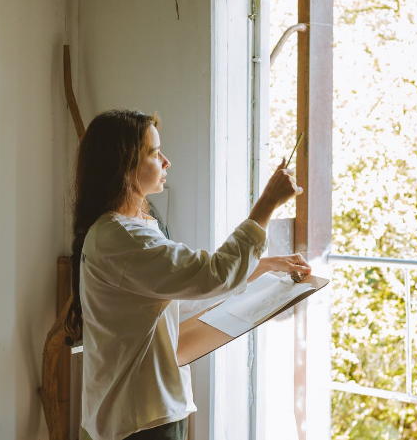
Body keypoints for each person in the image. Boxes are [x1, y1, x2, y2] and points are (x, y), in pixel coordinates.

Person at [65, 109, 312, 440]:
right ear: (124, 167)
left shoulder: (117, 232)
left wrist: (263, 266)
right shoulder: (123, 238)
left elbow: (184, 295)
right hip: (140, 421)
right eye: (154, 153)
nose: (166, 161)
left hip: (132, 415)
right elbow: (213, 274)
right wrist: (266, 204)